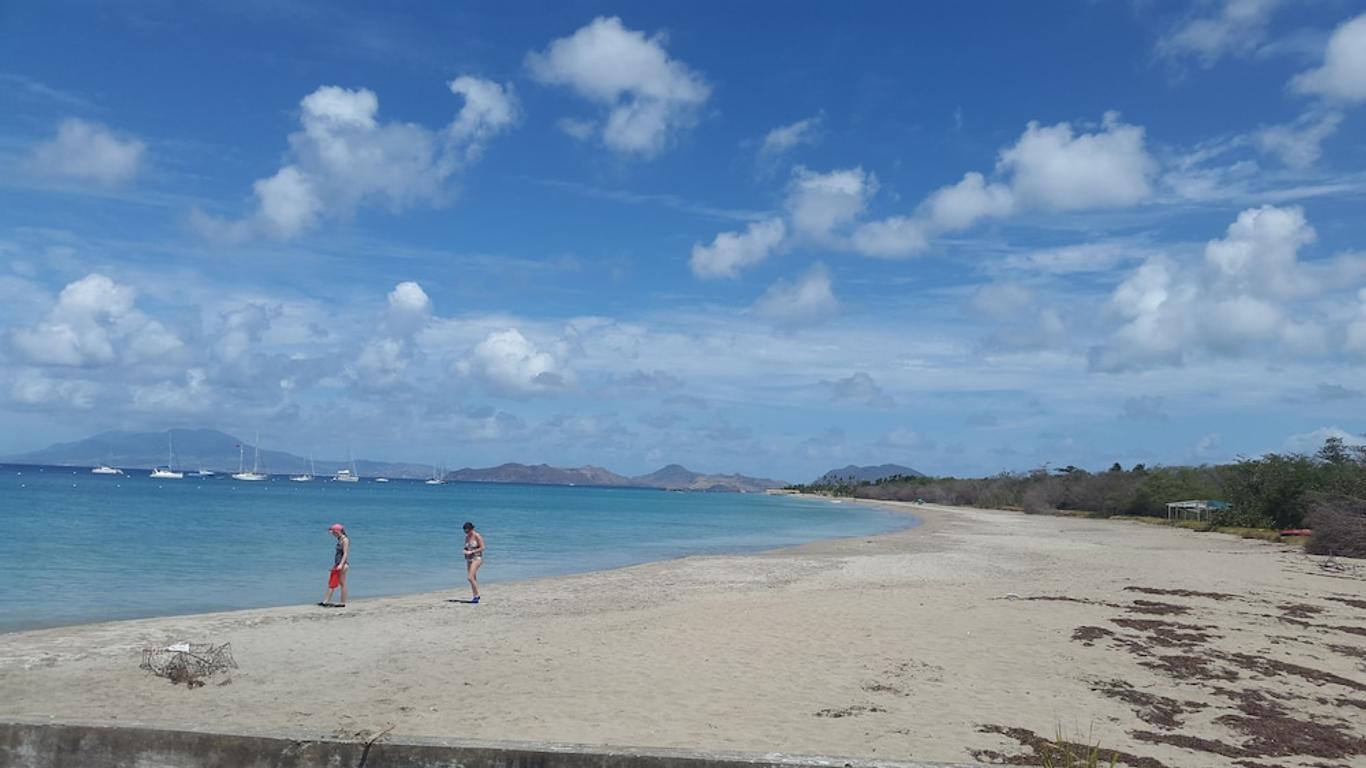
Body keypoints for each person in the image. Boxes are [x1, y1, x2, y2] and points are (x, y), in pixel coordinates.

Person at [320, 523, 349, 607]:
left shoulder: (345, 540)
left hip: (343, 565)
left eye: (333, 532)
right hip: (338, 564)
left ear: (337, 531)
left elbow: (345, 554)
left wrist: (341, 564)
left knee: (342, 583)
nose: (332, 534)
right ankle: (326, 601)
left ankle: (342, 602)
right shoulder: (339, 540)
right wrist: (335, 565)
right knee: (335, 582)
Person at [462, 521, 484, 604]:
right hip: (469, 559)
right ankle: (474, 596)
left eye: (468, 530)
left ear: (472, 529)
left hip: (477, 558)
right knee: (473, 578)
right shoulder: (467, 537)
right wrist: (465, 551)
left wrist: (472, 551)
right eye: (465, 531)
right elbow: (466, 547)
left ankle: (477, 595)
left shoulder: (477, 536)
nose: (466, 532)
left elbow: (483, 547)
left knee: (470, 577)